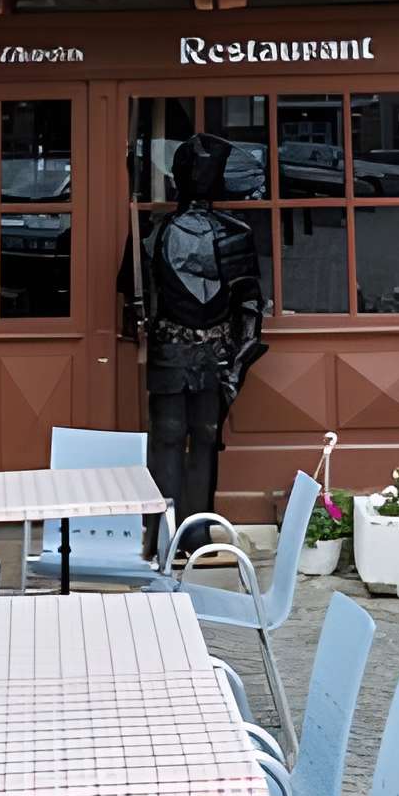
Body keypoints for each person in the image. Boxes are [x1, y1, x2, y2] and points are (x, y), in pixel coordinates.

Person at [126, 131, 267, 543]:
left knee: (174, 437)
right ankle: (193, 533)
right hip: (212, 352)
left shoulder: (155, 234)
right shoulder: (229, 233)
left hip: (180, 349)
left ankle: (166, 535)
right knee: (200, 439)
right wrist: (236, 364)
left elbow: (131, 304)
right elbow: (250, 310)